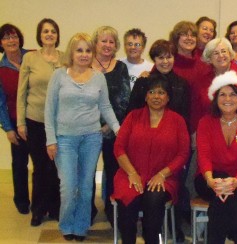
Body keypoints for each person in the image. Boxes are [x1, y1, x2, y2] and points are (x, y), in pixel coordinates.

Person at [44, 32, 120, 242]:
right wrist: (51, 140)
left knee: (86, 187)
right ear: (72, 52)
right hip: (65, 139)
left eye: (88, 50)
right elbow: (49, 110)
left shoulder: (98, 78)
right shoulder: (59, 75)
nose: (84, 55)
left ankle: (80, 226)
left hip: (91, 138)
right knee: (68, 187)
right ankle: (66, 224)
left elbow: (105, 106)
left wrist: (118, 129)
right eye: (80, 50)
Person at [112, 75, 190, 244]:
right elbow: (119, 148)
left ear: (168, 97)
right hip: (130, 173)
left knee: (153, 198)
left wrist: (162, 174)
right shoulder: (133, 116)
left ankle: (152, 240)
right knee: (128, 197)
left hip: (164, 177)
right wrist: (132, 173)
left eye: (161, 92)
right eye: (152, 92)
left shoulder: (178, 121)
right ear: (146, 96)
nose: (156, 96)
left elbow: (183, 154)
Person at [195, 71, 237, 244]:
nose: (228, 99)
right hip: (208, 179)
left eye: (233, 94)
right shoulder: (205, 122)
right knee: (225, 199)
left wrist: (235, 181)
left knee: (222, 202)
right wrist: (210, 180)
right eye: (222, 94)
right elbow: (204, 156)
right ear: (215, 99)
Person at [16, 18, 63, 226]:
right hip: (35, 120)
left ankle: (55, 207)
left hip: (60, 122)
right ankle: (38, 209)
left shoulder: (65, 58)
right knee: (40, 166)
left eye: (53, 31)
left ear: (57, 35)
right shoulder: (30, 59)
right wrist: (20, 122)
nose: (49, 34)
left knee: (56, 167)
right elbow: (21, 92)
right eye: (45, 31)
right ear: (40, 35)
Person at [91, 26, 130, 224]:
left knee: (113, 171)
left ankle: (111, 209)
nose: (107, 45)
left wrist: (108, 125)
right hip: (86, 130)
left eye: (111, 42)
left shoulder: (121, 67)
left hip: (113, 129)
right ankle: (87, 211)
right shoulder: (85, 64)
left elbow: (124, 99)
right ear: (95, 43)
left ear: (116, 46)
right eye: (103, 41)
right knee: (87, 172)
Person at [195, 37, 237, 133]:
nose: (221, 55)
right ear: (209, 58)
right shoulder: (202, 78)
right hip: (211, 130)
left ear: (230, 53)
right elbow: (197, 109)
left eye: (224, 51)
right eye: (215, 53)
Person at [0, 23, 31, 215]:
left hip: (38, 120)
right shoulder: (1, 69)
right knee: (20, 164)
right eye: (6, 38)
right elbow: (0, 102)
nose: (11, 40)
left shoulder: (33, 57)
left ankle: (44, 201)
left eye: (14, 36)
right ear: (1, 43)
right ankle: (21, 199)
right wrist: (8, 128)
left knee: (44, 164)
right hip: (14, 120)